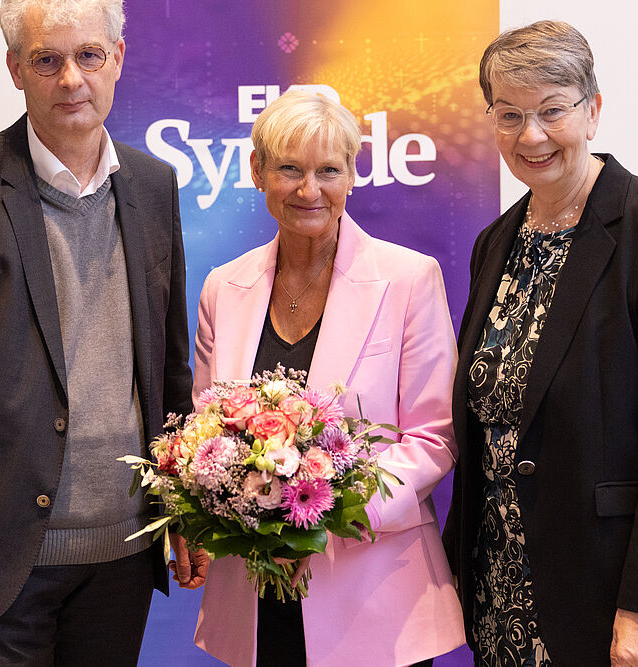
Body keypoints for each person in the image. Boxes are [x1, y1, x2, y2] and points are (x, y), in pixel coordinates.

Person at [0, 0, 201, 663]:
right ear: (15, 68)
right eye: (47, 60)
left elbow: (169, 371)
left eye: (89, 55)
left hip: (124, 555)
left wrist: (186, 509)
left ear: (118, 60)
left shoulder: (153, 184)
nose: (72, 79)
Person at [442, 20, 638, 667]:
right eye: (509, 114)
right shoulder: (499, 241)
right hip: (509, 592)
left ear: (592, 110)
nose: (532, 135)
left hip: (617, 601)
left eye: (552, 110)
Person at [190, 90, 466, 666]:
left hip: (377, 596)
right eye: (289, 169)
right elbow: (204, 437)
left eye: (328, 170)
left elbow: (433, 438)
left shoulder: (409, 279)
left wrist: (317, 520)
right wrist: (244, 514)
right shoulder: (223, 287)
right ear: (257, 172)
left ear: (352, 173)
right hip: (257, 592)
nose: (308, 190)